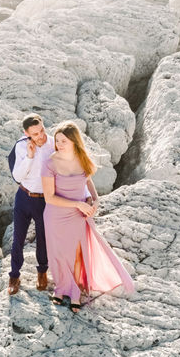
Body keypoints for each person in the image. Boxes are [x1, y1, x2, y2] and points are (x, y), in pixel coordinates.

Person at [41, 120, 134, 312]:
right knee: (58, 253)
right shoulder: (49, 163)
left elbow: (88, 183)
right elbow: (49, 197)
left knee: (76, 253)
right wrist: (78, 204)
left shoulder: (82, 159)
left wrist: (95, 201)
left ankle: (75, 292)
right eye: (57, 140)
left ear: (74, 141)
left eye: (64, 140)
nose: (59, 144)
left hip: (79, 214)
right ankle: (61, 289)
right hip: (57, 214)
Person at [8, 114, 52, 295]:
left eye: (41, 130)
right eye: (35, 134)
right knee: (18, 238)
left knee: (43, 238)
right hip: (24, 196)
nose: (40, 136)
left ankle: (42, 272)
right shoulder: (21, 146)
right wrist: (30, 156)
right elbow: (17, 177)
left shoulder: (52, 143)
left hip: (44, 200)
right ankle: (14, 276)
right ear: (27, 133)